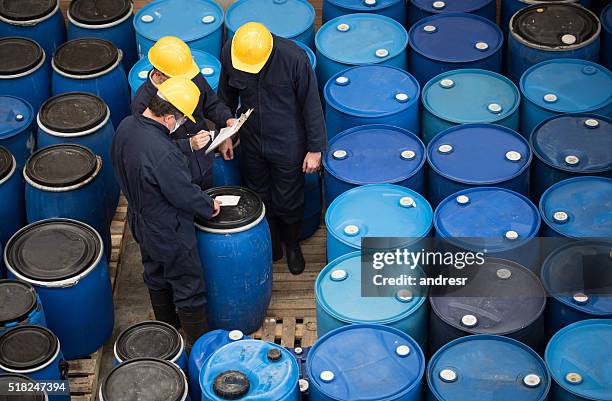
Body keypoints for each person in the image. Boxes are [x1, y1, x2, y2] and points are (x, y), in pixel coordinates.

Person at [111, 77, 221, 346]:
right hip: (169, 228)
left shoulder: (127, 126)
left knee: (155, 275)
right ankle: (199, 349)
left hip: (141, 220)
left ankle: (167, 334)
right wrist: (208, 206)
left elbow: (151, 157)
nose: (182, 123)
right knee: (188, 287)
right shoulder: (161, 151)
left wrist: (185, 146)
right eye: (181, 118)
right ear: (170, 117)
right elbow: (181, 191)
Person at [218, 22, 327, 275]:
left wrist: (315, 149)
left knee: (289, 198)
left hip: (288, 141)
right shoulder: (231, 52)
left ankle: (292, 245)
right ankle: (272, 243)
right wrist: (225, 134)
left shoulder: (294, 59)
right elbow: (225, 97)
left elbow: (312, 105)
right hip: (252, 138)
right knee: (259, 193)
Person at [132, 36, 235, 189]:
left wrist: (226, 122)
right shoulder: (142, 102)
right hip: (175, 171)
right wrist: (189, 145)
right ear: (159, 74)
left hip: (204, 158)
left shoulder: (189, 76)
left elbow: (211, 104)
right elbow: (151, 147)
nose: (186, 83)